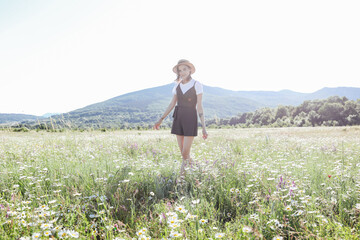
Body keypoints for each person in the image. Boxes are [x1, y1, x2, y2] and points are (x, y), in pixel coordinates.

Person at [154, 59, 208, 175]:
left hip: (190, 118)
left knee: (185, 153)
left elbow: (199, 106)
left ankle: (181, 180)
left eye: (184, 69)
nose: (182, 72)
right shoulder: (177, 86)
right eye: (180, 70)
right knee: (184, 154)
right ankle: (199, 171)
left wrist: (204, 126)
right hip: (178, 118)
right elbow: (172, 104)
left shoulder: (196, 85)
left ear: (190, 70)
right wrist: (161, 119)